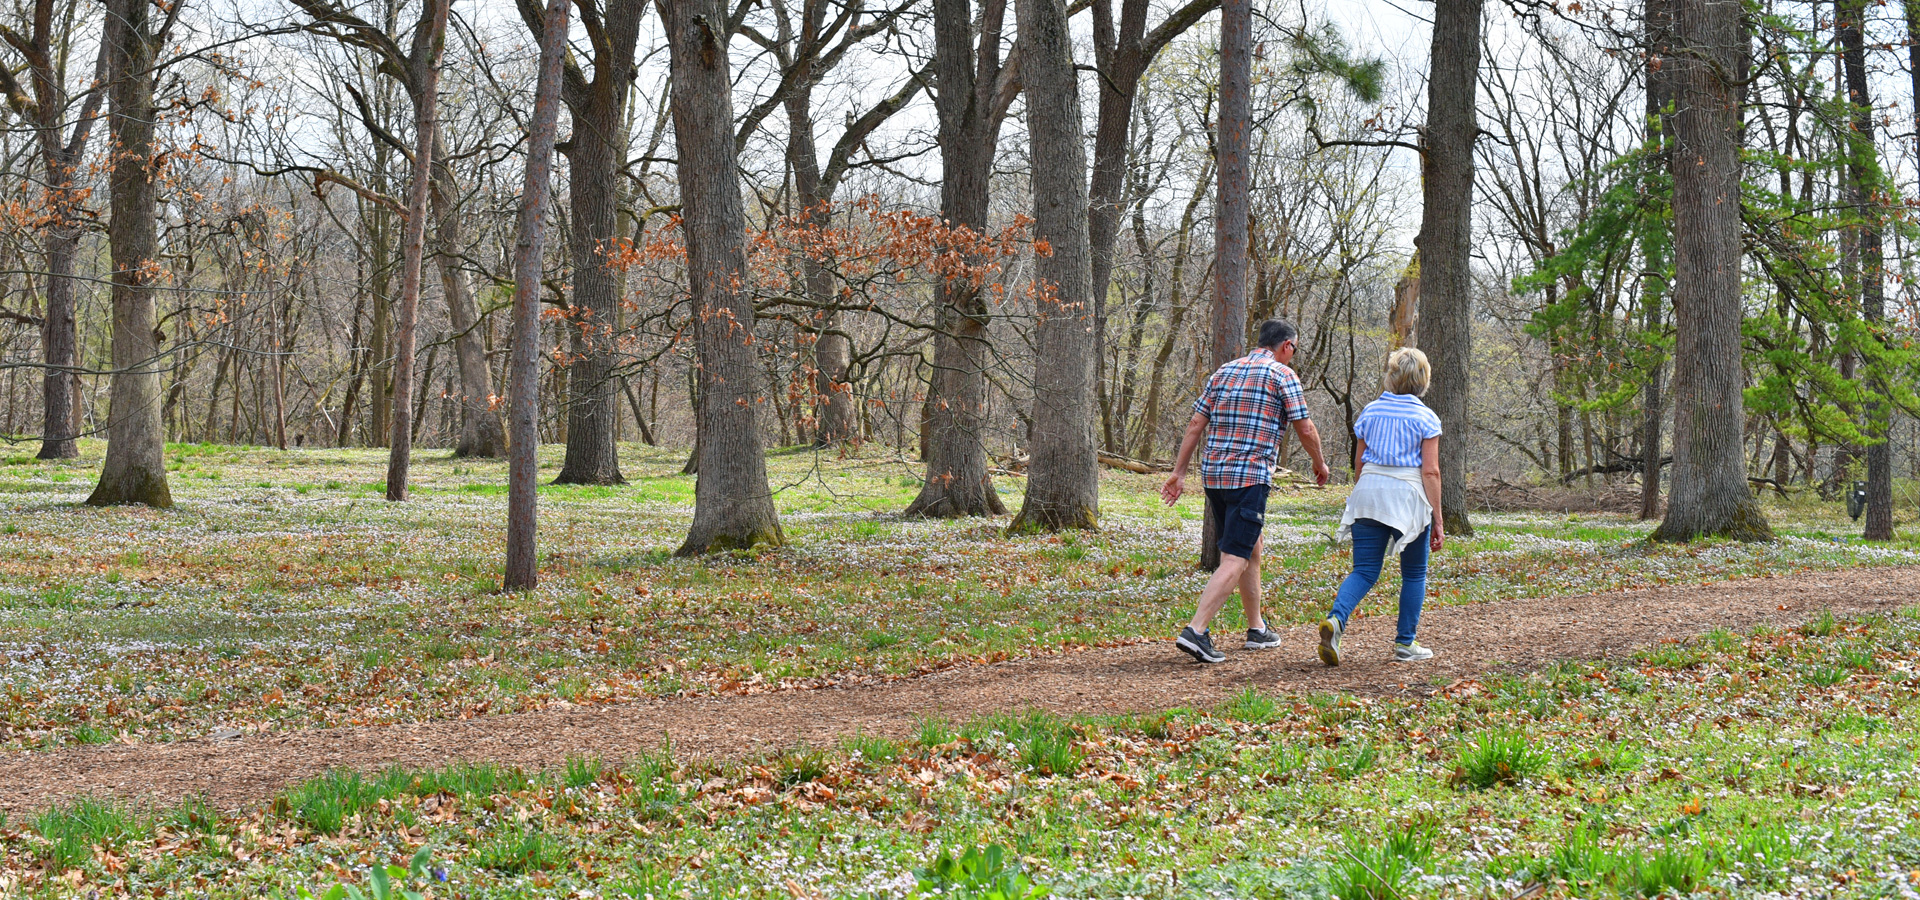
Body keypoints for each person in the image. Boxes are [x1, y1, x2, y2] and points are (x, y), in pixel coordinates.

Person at [1161, 320, 1331, 664]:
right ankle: (1196, 630)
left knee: (1252, 546)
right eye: (1294, 350)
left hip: (1215, 477)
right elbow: (1305, 427)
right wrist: (1320, 463)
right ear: (1286, 346)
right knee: (1235, 558)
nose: (1293, 356)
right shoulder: (1283, 376)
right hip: (1249, 477)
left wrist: (1179, 473)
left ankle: (1257, 629)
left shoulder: (1224, 371)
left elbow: (1196, 423)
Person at [1318, 347, 1444, 666]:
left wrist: (1363, 493)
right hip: (1408, 497)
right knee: (1414, 573)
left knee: (1364, 570)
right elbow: (1430, 472)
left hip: (1369, 492)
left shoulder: (1370, 412)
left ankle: (1336, 620)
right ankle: (1405, 643)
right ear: (1423, 381)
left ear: (1391, 377)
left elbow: (1359, 463)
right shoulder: (1426, 417)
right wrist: (1438, 519)